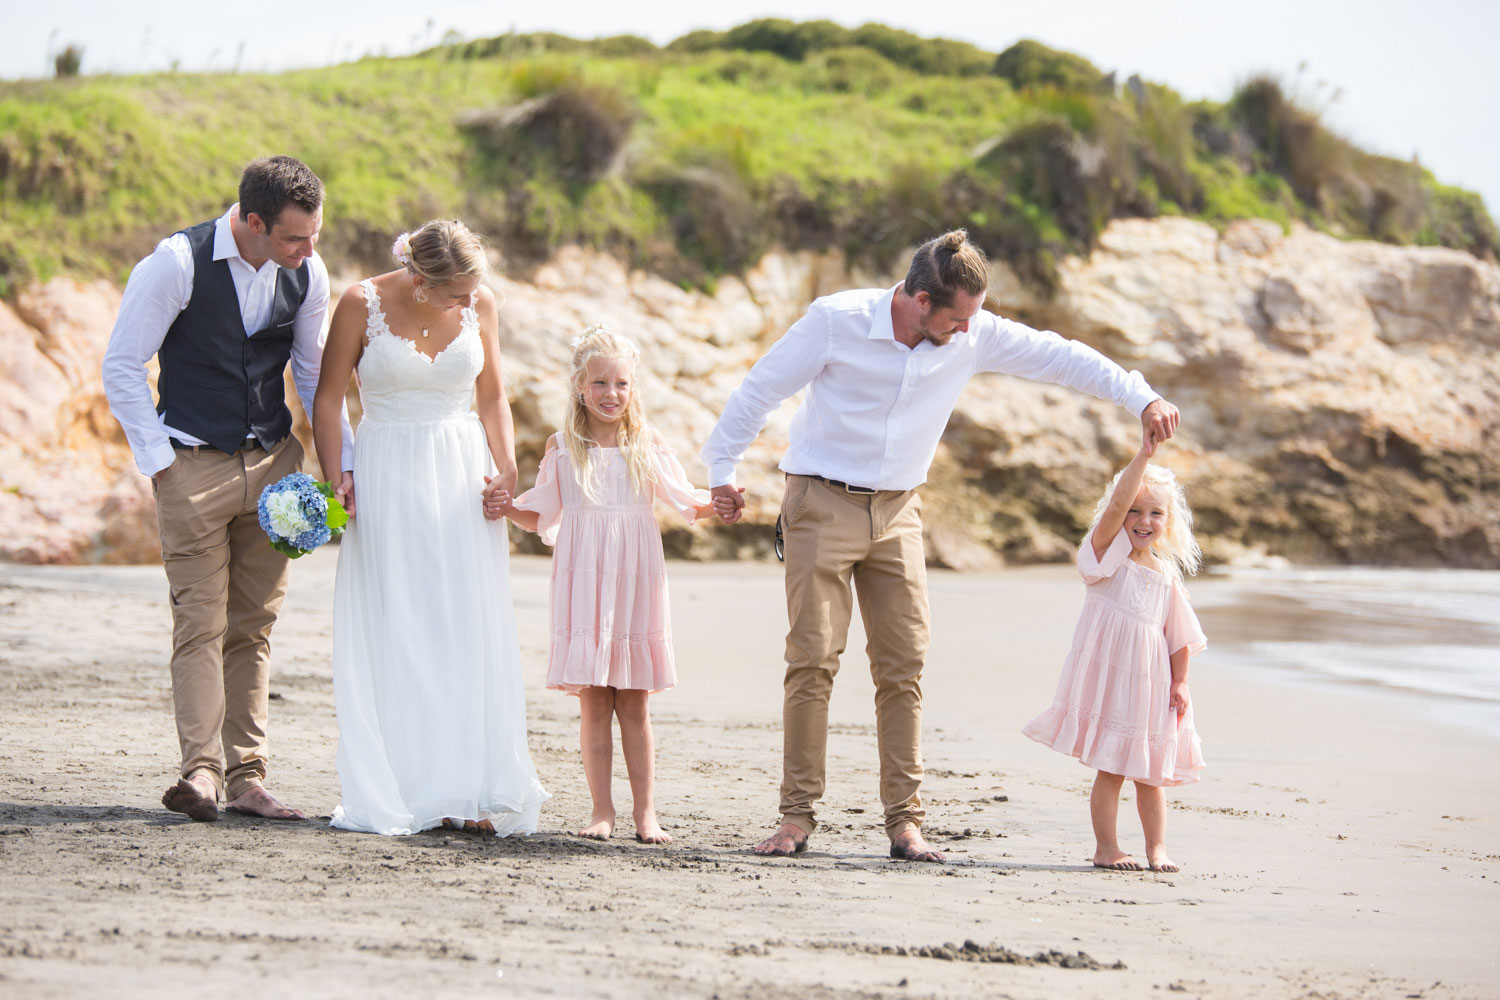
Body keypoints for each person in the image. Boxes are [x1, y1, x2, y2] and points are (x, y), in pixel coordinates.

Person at [702, 229, 1181, 862]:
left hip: (900, 512)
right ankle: (796, 819)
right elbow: (759, 390)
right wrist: (722, 471)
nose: (967, 330)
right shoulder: (835, 321)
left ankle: (904, 823)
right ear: (919, 299)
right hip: (820, 502)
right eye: (957, 318)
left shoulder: (970, 331)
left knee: (904, 666)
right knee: (813, 659)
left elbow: (1062, 357)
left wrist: (1139, 394)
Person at [102, 155, 352, 822]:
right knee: (200, 622)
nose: (308, 250)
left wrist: (337, 468)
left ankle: (248, 778)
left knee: (256, 627)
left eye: (315, 234)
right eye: (295, 238)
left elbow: (312, 376)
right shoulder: (176, 264)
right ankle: (202, 774)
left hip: (277, 467)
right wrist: (161, 465)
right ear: (251, 221)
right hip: (192, 465)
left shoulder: (310, 272)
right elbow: (122, 364)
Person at [312, 219, 548, 836]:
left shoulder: (482, 303)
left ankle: (467, 790)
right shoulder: (360, 302)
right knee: (401, 624)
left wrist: (507, 464)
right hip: (387, 469)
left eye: (472, 292)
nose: (468, 303)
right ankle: (412, 787)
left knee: (461, 622)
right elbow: (328, 396)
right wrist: (339, 471)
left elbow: (492, 394)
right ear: (419, 281)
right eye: (456, 294)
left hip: (460, 470)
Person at [489, 326, 718, 844]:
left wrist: (719, 502)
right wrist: (507, 508)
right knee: (593, 701)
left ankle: (646, 814)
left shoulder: (647, 443)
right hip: (583, 579)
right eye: (600, 383)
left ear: (633, 388)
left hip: (635, 578)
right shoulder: (561, 447)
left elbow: (687, 501)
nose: (612, 394)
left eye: (622, 384)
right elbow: (539, 513)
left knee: (634, 702)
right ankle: (601, 810)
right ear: (578, 386)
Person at [1021, 439, 1206, 872]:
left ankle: (1156, 849)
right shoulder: (1104, 556)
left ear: (1169, 521)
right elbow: (1114, 507)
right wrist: (1144, 456)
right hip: (1111, 684)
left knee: (1150, 775)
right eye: (1134, 511)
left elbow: (1179, 637)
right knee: (1111, 769)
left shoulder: (1166, 575)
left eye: (1155, 513)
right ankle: (1106, 847)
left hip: (1152, 685)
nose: (1143, 521)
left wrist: (1181, 682)